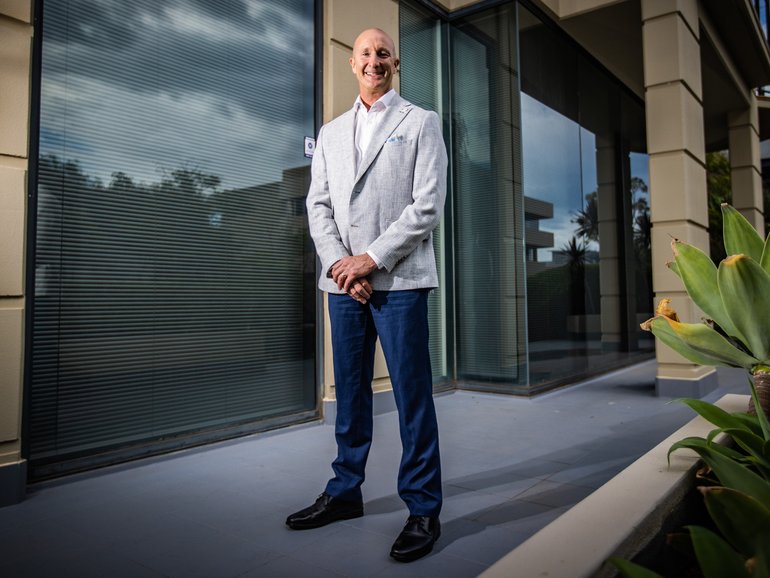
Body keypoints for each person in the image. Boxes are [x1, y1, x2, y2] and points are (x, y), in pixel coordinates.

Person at [286, 28, 447, 563]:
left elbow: (425, 207)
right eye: (365, 54)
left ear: (394, 63)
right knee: (351, 395)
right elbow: (319, 207)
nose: (373, 60)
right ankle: (344, 492)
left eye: (382, 53)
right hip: (343, 285)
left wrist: (370, 260)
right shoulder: (330, 133)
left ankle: (423, 507)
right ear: (352, 65)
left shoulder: (421, 122)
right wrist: (341, 265)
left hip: (399, 282)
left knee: (410, 398)